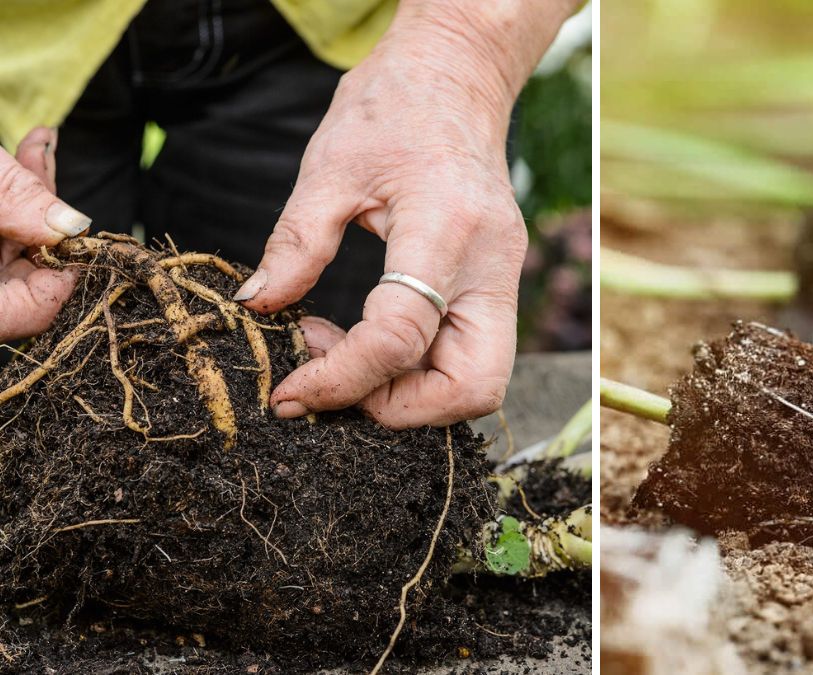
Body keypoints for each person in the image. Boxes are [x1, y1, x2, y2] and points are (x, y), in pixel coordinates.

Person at [0, 0, 578, 428]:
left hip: (358, 37)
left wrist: (464, 53)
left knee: (341, 395)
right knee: (43, 398)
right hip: (21, 42)